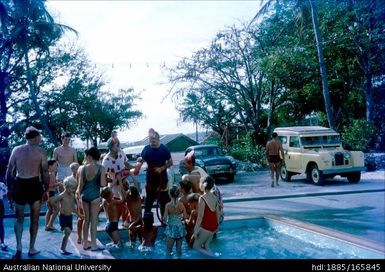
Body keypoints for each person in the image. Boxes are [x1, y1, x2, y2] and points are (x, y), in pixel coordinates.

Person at [5, 126, 50, 259]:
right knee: (34, 219)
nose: (40, 139)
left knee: (19, 218)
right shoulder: (41, 152)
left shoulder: (16, 150)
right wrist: (46, 189)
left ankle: (19, 247)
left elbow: (9, 171)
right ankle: (31, 248)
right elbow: (45, 173)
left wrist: (9, 188)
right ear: (35, 138)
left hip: (20, 184)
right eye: (39, 137)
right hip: (34, 185)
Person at [137, 129, 173, 219]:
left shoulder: (164, 149)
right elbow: (142, 159)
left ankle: (164, 221)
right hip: (151, 178)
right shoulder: (146, 149)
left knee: (163, 201)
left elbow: (170, 162)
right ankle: (147, 221)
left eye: (154, 141)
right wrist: (138, 164)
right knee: (148, 201)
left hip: (162, 178)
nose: (152, 143)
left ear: (158, 139)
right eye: (150, 141)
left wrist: (162, 168)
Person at [76, 147, 106, 251]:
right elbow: (103, 184)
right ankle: (93, 244)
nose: (85, 158)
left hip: (84, 196)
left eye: (85, 156)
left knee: (86, 219)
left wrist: (78, 199)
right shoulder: (101, 168)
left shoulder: (82, 168)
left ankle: (85, 243)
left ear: (89, 156)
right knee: (93, 221)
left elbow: (80, 186)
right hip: (95, 197)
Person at [49, 176, 81, 255]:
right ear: (66, 187)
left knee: (67, 234)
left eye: (74, 189)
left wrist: (78, 214)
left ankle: (63, 248)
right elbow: (52, 202)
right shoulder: (62, 195)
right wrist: (59, 209)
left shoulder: (72, 196)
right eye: (71, 188)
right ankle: (63, 249)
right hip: (63, 216)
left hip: (69, 216)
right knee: (67, 231)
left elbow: (72, 207)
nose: (73, 190)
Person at [193, 176, 219, 257]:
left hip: (207, 226)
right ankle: (212, 255)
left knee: (196, 246)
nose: (199, 184)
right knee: (206, 246)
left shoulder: (202, 198)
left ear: (204, 185)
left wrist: (195, 230)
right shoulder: (215, 197)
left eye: (200, 182)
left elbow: (200, 216)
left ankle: (214, 257)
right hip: (214, 225)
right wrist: (217, 226)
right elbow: (218, 212)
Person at [163, 185, 188, 256]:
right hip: (180, 228)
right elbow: (185, 217)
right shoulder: (181, 204)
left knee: (168, 250)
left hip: (171, 229)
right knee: (179, 250)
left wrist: (166, 220)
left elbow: (164, 219)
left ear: (169, 194)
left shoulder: (168, 205)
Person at [70, 162, 83, 244]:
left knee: (80, 216)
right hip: (74, 197)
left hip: (79, 197)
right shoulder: (70, 179)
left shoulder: (81, 176)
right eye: (76, 168)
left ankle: (81, 235)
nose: (78, 169)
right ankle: (79, 236)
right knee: (79, 216)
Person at [45, 159, 60, 231]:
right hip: (50, 194)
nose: (56, 167)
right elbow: (51, 185)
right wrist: (60, 183)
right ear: (50, 166)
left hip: (48, 194)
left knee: (50, 210)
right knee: (57, 209)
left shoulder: (48, 173)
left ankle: (47, 225)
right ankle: (50, 224)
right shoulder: (51, 174)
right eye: (55, 165)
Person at [0, 181, 7, 251]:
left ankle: (2, 242)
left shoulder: (1, 184)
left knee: (0, 224)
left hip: (0, 204)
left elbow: (5, 192)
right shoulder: (1, 184)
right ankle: (2, 242)